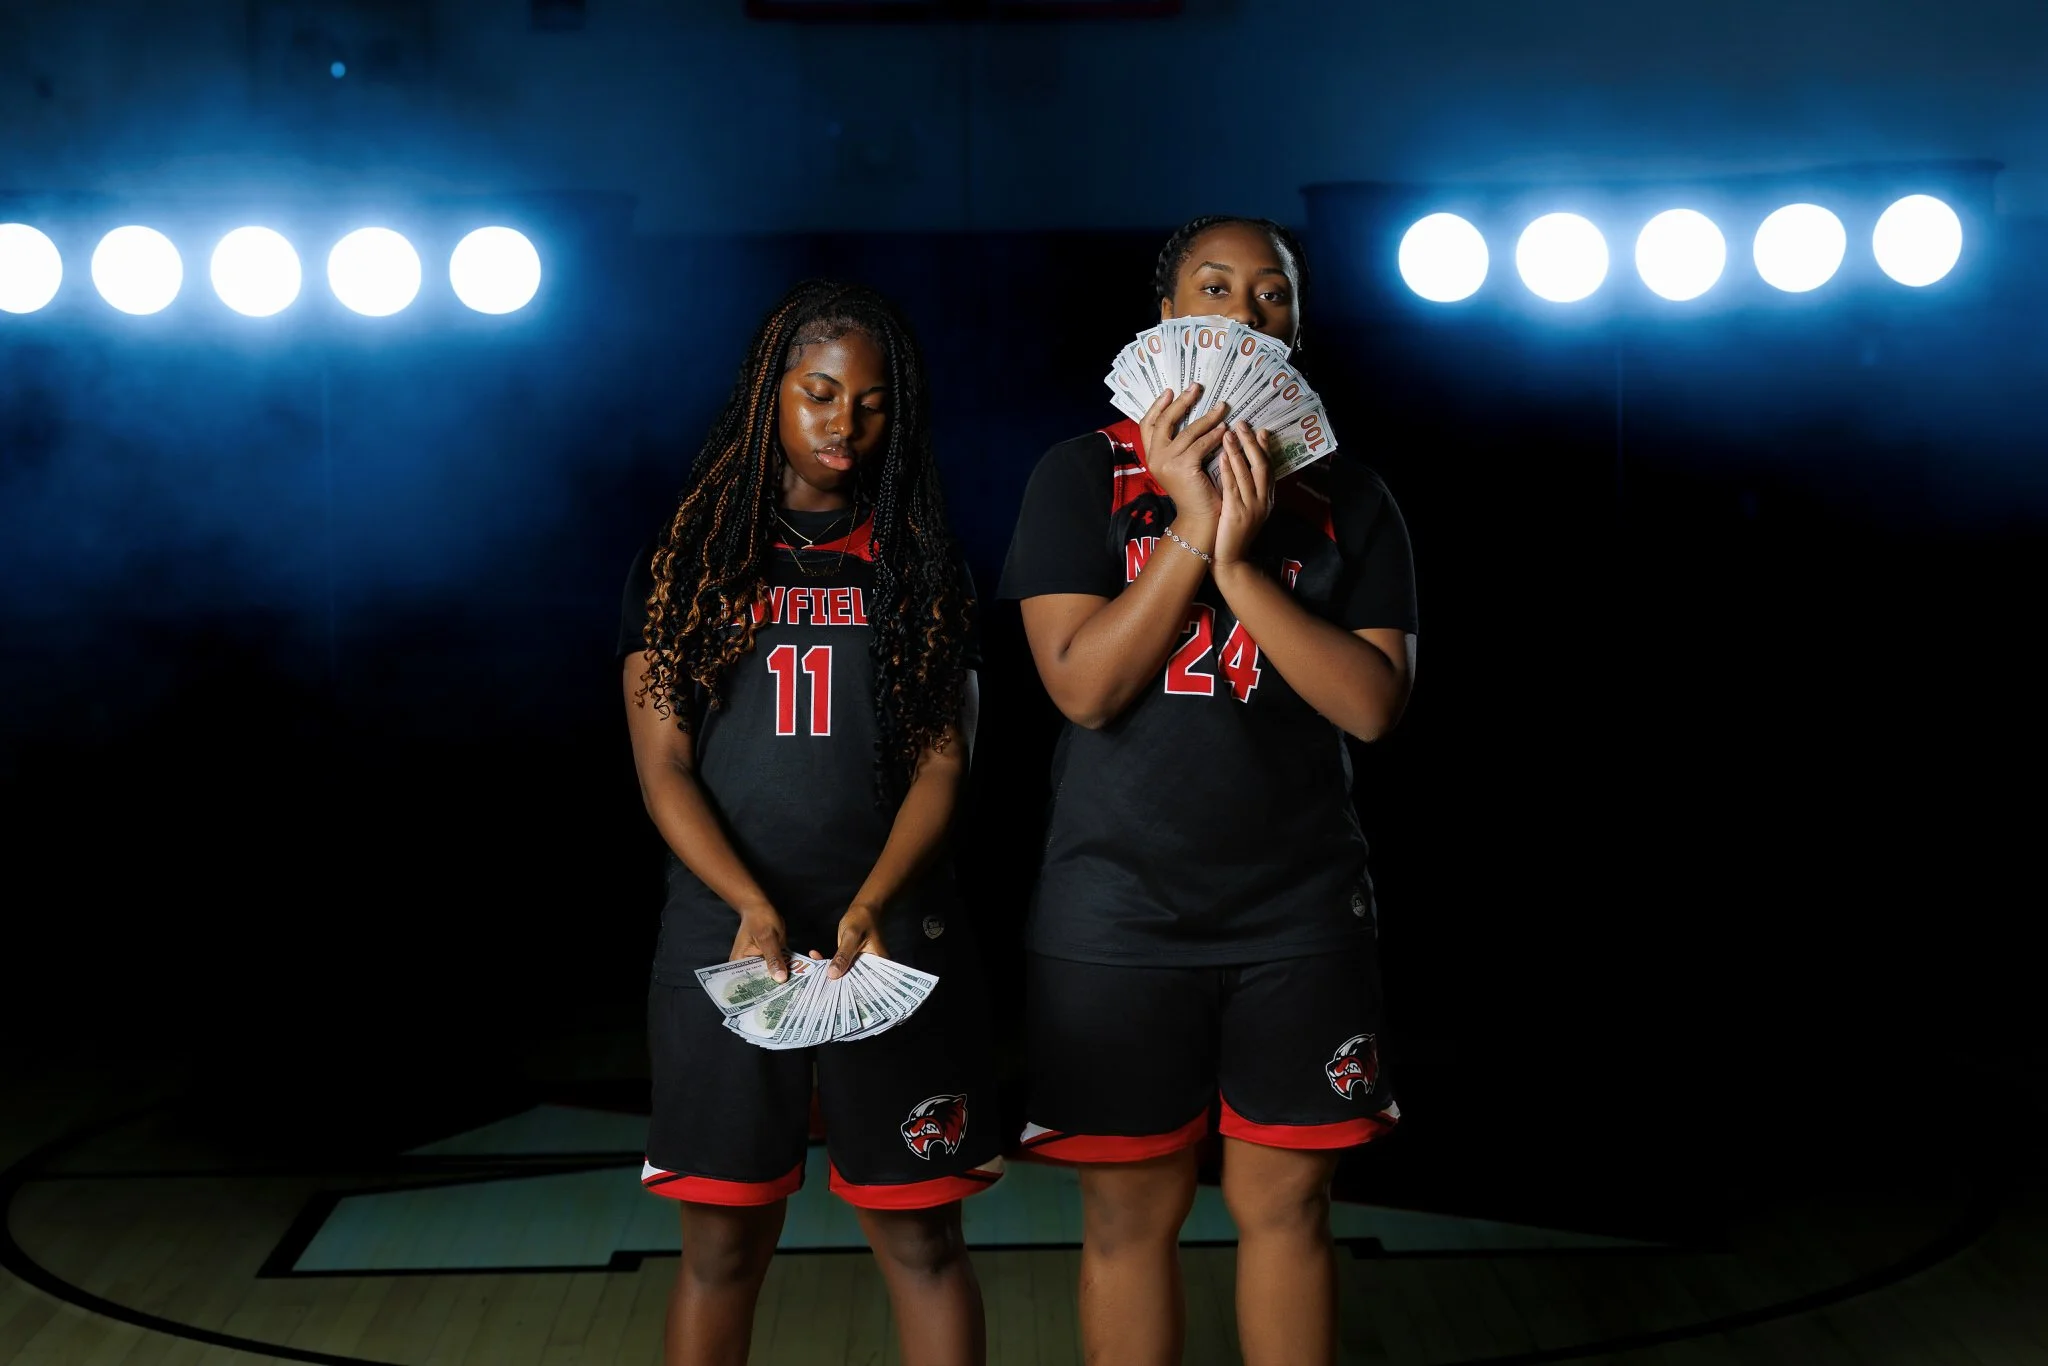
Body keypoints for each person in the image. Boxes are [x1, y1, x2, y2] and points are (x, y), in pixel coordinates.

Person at [997, 216, 1418, 1366]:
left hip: (1297, 910)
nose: (1243, 314)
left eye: (1272, 294)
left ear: (1296, 323)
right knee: (1130, 1220)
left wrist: (1239, 562)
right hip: (1115, 913)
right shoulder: (1081, 475)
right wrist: (1191, 528)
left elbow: (1371, 704)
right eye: (1214, 287)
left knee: (1286, 1211)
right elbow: (1081, 689)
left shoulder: (1353, 499)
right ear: (1166, 317)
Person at [620, 280, 1001, 1366]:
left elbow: (945, 763)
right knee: (721, 1248)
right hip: (725, 943)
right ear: (766, 397)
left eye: (871, 403)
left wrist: (874, 900)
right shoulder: (688, 561)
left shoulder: (921, 563)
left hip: (893, 939)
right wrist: (747, 904)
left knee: (923, 1237)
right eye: (820, 393)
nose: (845, 423)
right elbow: (663, 770)